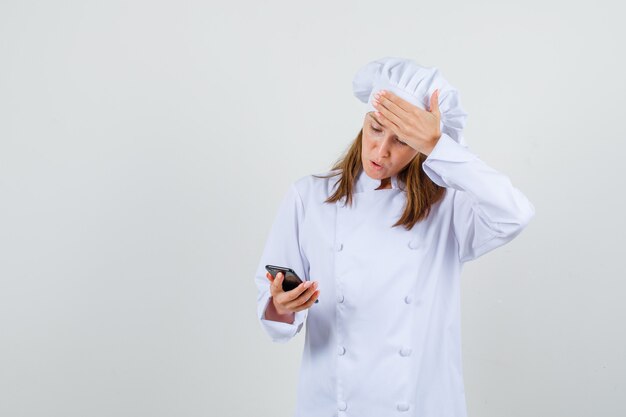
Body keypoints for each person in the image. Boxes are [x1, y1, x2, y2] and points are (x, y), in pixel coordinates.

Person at [253, 56, 535, 417]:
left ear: (421, 148)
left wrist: (440, 146)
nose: (381, 150)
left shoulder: (447, 207)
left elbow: (515, 213)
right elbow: (273, 313)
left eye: (402, 141)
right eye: (375, 128)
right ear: (364, 120)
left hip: (421, 405)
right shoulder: (308, 198)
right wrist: (282, 305)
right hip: (329, 405)